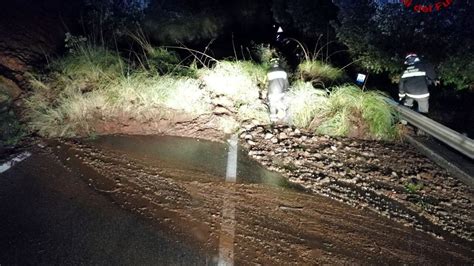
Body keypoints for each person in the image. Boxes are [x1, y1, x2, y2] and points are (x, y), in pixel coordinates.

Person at [267, 58, 290, 123]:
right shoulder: (283, 71)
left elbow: (268, 83)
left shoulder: (269, 72)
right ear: (278, 63)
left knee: (272, 105)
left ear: (272, 63)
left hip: (272, 93)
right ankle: (283, 118)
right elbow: (286, 84)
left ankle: (273, 123)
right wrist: (285, 92)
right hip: (281, 93)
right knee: (281, 105)